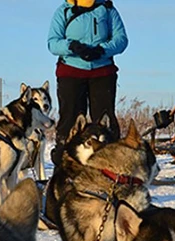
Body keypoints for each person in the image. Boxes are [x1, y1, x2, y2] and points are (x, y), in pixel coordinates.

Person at [47, 0, 128, 166]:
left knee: (105, 122)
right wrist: (73, 46)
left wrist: (102, 50)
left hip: (103, 72)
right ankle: (64, 167)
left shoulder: (107, 10)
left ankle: (110, 167)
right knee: (70, 122)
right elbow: (53, 43)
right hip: (70, 72)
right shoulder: (63, 11)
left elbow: (121, 40)